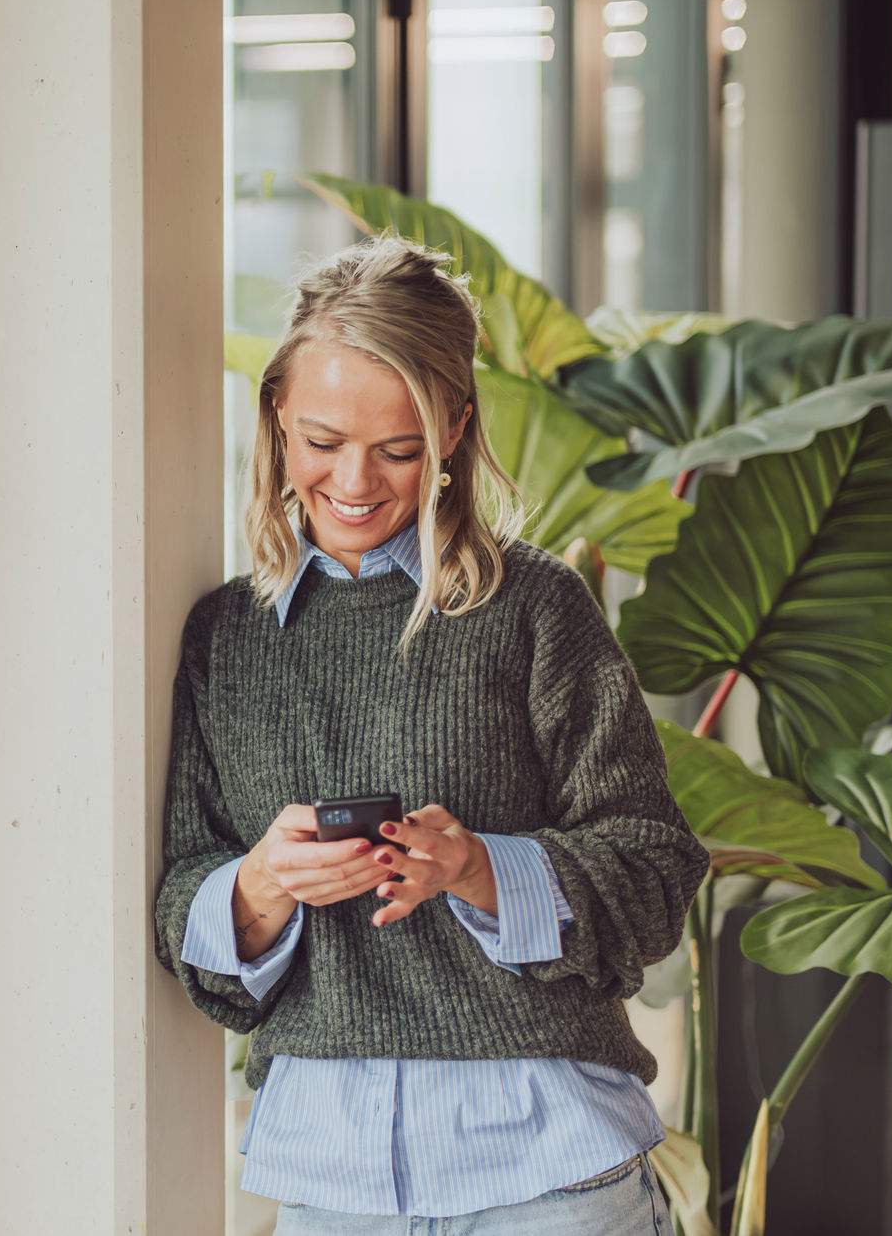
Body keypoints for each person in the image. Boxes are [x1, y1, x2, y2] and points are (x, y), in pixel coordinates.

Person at [153, 234, 711, 1233]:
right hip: (332, 1180)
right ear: (277, 414)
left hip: (549, 1167)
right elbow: (181, 904)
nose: (355, 480)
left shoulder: (536, 607)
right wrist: (265, 882)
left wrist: (479, 869)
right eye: (323, 440)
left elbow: (655, 871)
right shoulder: (224, 638)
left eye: (399, 450)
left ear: (454, 428)